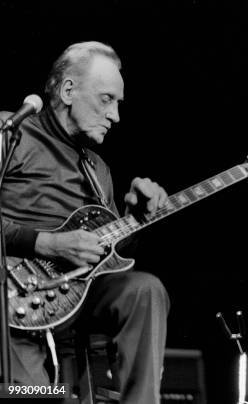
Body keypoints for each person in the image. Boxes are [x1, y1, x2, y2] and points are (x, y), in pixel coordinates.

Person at [1, 41, 169, 403]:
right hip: (12, 293)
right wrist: (45, 243)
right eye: (107, 99)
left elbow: (109, 256)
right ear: (67, 90)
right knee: (32, 397)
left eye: (118, 104)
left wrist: (134, 219)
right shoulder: (10, 133)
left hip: (77, 297)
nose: (116, 116)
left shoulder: (97, 169)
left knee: (144, 289)